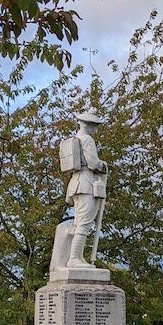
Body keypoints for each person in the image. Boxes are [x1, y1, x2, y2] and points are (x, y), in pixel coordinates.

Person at [61, 111, 108, 268]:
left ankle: (78, 257)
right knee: (84, 223)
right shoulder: (87, 140)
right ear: (89, 125)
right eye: (95, 126)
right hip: (86, 183)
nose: (96, 129)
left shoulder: (76, 139)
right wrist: (104, 165)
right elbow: (93, 163)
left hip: (77, 183)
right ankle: (74, 258)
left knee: (81, 221)